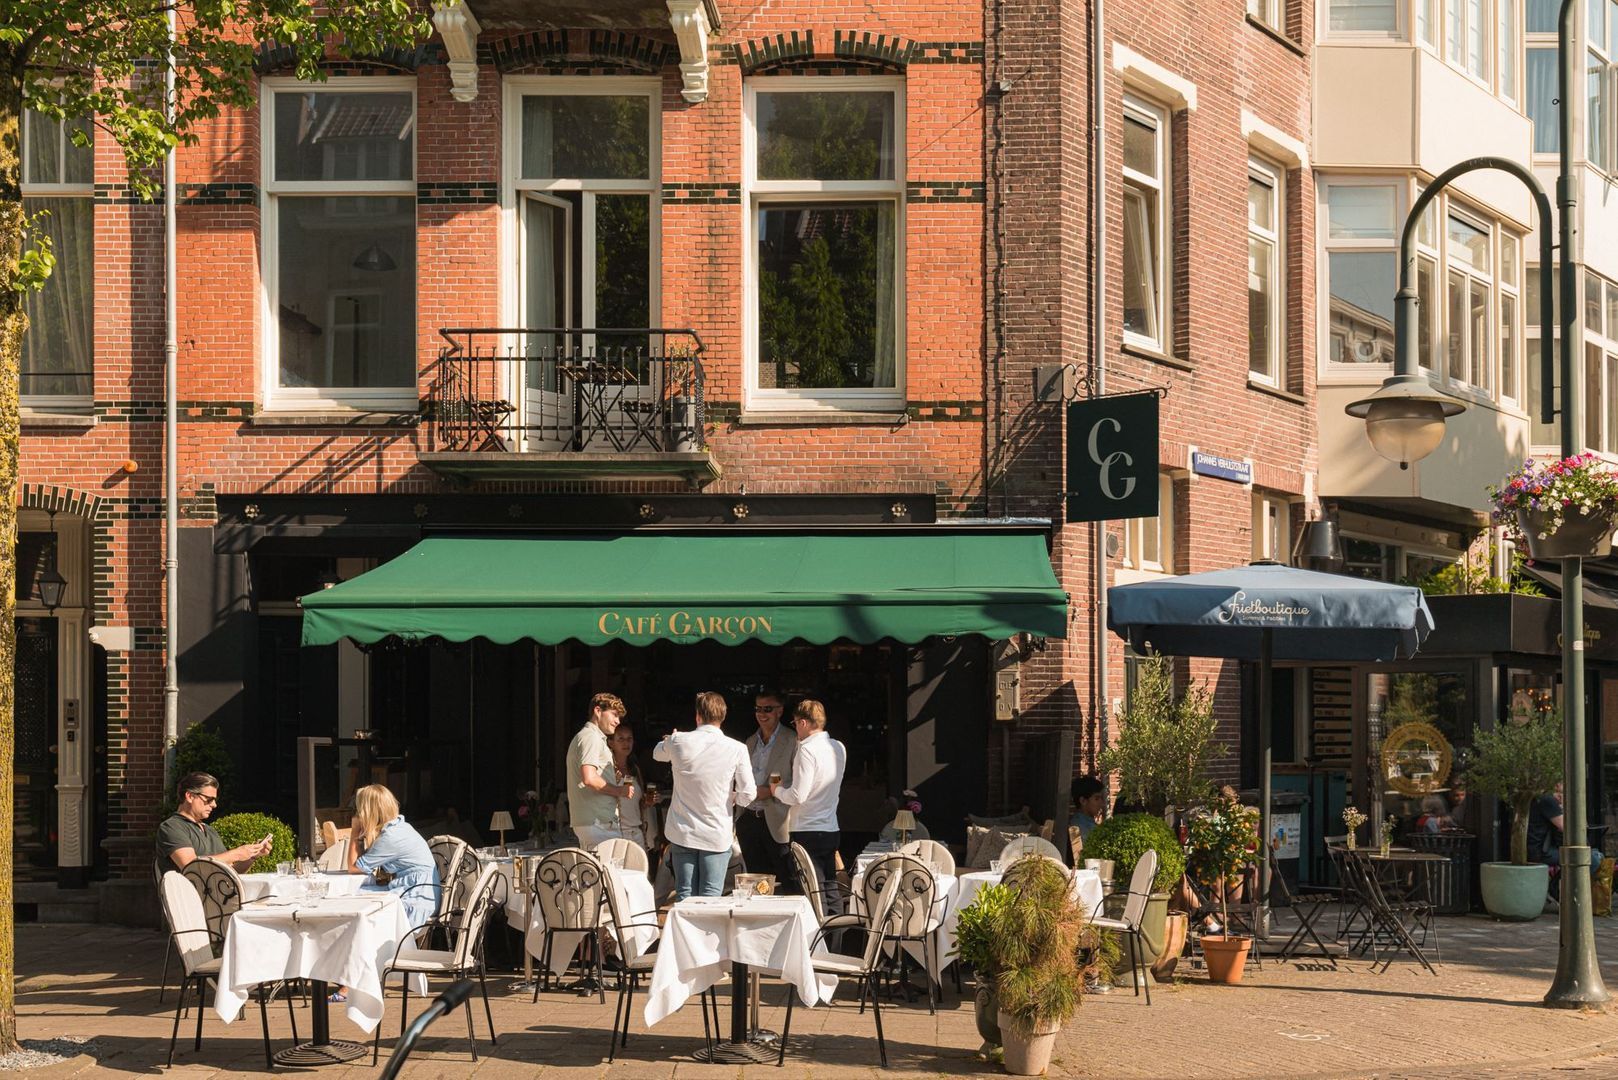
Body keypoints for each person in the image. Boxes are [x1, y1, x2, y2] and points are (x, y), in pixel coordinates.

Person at [655, 691, 754, 900]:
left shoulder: (679, 740)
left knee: (685, 895)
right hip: (716, 832)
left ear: (698, 716)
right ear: (723, 717)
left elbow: (657, 754)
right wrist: (732, 796)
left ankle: (685, 934)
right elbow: (749, 795)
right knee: (711, 897)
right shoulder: (737, 748)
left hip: (684, 831)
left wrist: (668, 740)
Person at [760, 699, 847, 912]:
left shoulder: (806, 750)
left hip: (807, 829)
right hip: (830, 827)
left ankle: (818, 943)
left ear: (804, 723)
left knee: (813, 894)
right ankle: (836, 940)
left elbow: (798, 795)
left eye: (796, 723)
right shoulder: (838, 747)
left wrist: (776, 790)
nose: (796, 728)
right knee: (830, 889)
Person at [347, 783, 441, 929]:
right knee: (358, 897)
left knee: (354, 899)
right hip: (422, 895)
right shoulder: (399, 827)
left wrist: (354, 831)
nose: (358, 814)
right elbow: (362, 863)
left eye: (359, 810)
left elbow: (354, 867)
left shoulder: (389, 837)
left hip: (414, 902)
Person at [736, 688, 797, 882]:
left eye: (767, 709)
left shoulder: (792, 740)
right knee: (755, 880)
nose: (762, 714)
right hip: (748, 818)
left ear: (780, 711)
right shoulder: (750, 741)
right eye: (758, 708)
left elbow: (798, 779)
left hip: (777, 818)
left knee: (788, 879)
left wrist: (771, 791)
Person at [156, 771, 272, 872]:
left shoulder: (209, 830)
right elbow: (190, 866)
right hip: (188, 896)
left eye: (215, 800)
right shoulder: (171, 827)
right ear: (190, 796)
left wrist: (251, 856)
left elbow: (230, 872)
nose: (214, 805)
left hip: (215, 895)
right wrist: (236, 854)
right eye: (209, 799)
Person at [567, 692, 636, 848]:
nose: (617, 721)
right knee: (612, 871)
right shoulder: (591, 737)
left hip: (595, 822)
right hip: (599, 823)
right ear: (598, 711)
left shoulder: (587, 737)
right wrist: (620, 791)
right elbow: (589, 778)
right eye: (614, 715)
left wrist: (610, 776)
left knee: (597, 871)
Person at [607, 722, 661, 851]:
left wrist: (648, 801)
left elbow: (639, 805)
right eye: (621, 739)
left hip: (636, 832)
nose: (626, 743)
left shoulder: (634, 769)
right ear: (611, 743)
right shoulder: (607, 769)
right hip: (615, 833)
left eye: (629, 739)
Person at [1070, 775, 1107, 849]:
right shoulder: (1078, 827)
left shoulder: (1084, 823)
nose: (1101, 803)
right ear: (1083, 801)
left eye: (1101, 798)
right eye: (1096, 799)